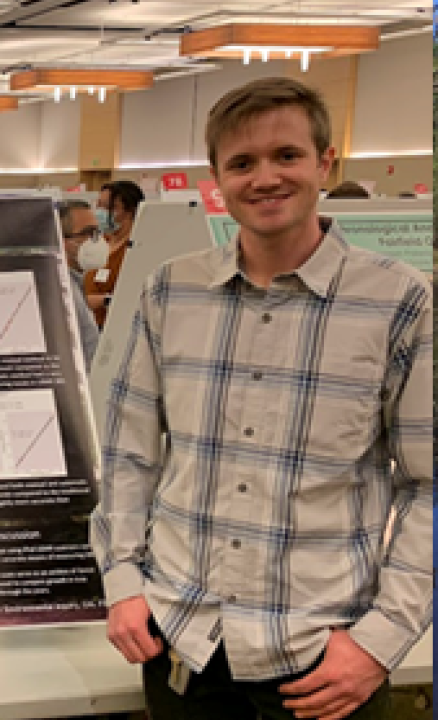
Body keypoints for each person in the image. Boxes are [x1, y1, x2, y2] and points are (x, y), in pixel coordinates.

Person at [90, 75, 431, 720]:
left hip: (323, 659)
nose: (265, 177)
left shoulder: (398, 301)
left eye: (287, 156)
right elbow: (128, 452)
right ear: (216, 177)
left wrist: (382, 642)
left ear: (325, 164)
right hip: (184, 644)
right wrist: (123, 585)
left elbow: (428, 485)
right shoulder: (171, 291)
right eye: (242, 163)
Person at [84, 179, 144, 327]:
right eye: (99, 205)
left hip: (116, 328)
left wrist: (104, 301)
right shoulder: (96, 242)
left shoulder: (137, 248)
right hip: (90, 326)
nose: (100, 211)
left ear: (130, 211)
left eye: (108, 206)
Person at [55, 199, 102, 368]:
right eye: (88, 233)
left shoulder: (74, 283)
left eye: (97, 233)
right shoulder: (62, 292)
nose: (97, 241)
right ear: (62, 240)